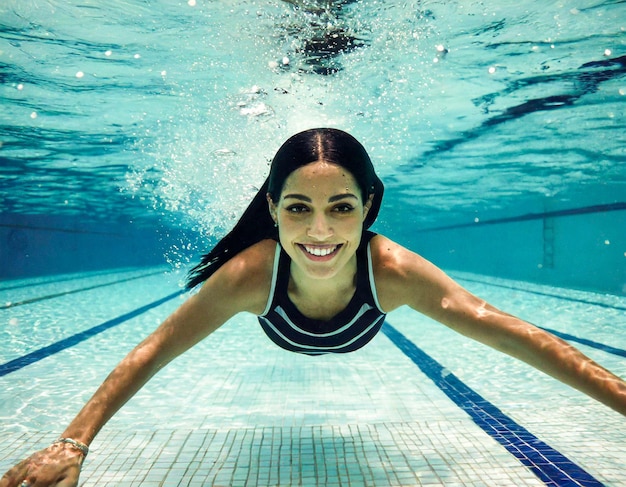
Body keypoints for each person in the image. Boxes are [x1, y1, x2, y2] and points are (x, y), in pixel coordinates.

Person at [2, 128, 625, 487]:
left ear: (369, 207)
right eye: (298, 207)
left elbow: (507, 330)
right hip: (284, 327)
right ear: (271, 208)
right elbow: (151, 352)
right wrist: (73, 445)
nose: (319, 232)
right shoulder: (249, 275)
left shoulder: (394, 273)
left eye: (342, 207)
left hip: (358, 326)